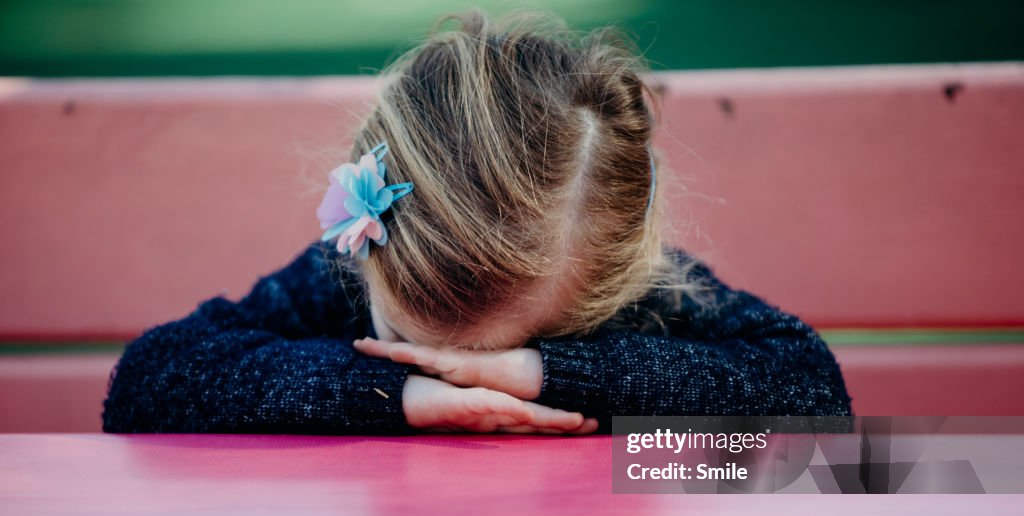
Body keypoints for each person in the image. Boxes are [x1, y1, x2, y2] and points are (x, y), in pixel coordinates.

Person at [102, 11, 851, 435]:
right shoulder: (353, 271)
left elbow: (813, 390)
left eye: (530, 341)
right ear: (369, 256)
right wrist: (390, 392)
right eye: (408, 346)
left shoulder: (638, 294)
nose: (467, 377)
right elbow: (149, 380)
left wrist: (552, 376)